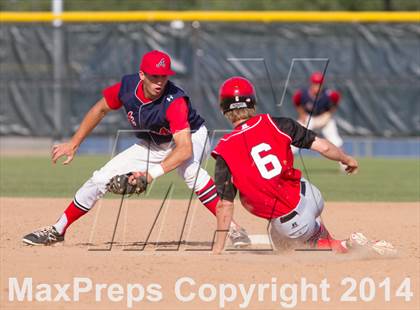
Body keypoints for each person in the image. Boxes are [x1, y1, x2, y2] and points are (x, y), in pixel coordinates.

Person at [22, 50, 250, 248]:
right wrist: (74, 143)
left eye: (164, 76)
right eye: (154, 76)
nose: (160, 82)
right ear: (142, 75)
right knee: (100, 179)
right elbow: (100, 109)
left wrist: (150, 175)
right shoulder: (127, 87)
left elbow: (184, 150)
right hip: (151, 143)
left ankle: (233, 228)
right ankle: (57, 230)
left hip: (191, 136)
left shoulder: (175, 101)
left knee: (190, 172)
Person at [211, 76, 395, 255]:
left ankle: (347, 244)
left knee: (304, 243)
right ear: (252, 103)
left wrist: (218, 249)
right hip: (311, 196)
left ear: (223, 109)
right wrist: (346, 159)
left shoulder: (224, 149)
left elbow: (225, 205)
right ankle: (323, 237)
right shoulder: (277, 124)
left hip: (290, 222)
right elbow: (323, 146)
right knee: (281, 242)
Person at [292, 72, 343, 154]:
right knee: (296, 136)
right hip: (309, 118)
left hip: (323, 119)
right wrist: (302, 114)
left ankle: (345, 163)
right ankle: (286, 161)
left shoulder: (328, 94)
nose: (317, 86)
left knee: (335, 140)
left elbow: (336, 100)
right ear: (311, 84)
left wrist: (329, 113)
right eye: (315, 84)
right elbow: (296, 102)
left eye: (319, 84)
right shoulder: (303, 94)